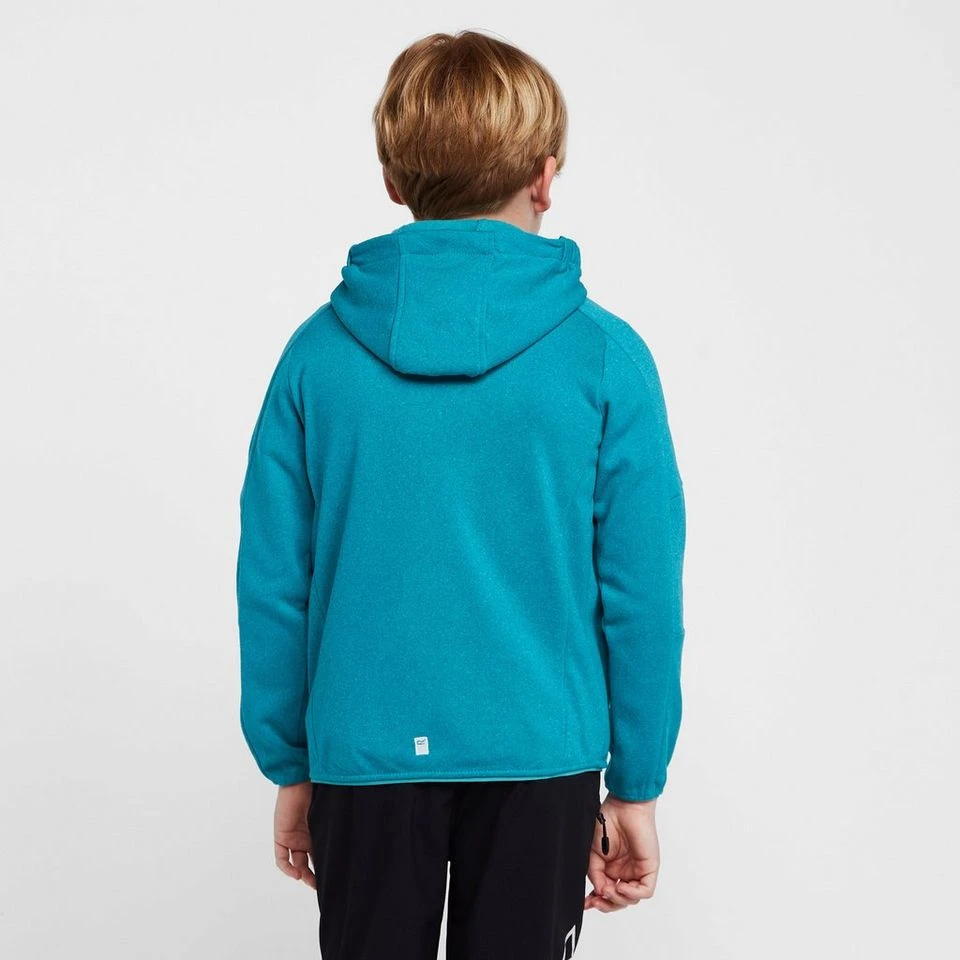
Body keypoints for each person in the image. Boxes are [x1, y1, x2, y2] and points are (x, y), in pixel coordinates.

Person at [236, 28, 687, 960]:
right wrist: (636, 784)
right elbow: (642, 593)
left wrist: (292, 763)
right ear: (545, 177)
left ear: (394, 182)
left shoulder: (316, 358)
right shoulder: (606, 359)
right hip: (543, 755)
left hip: (362, 757)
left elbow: (275, 582)